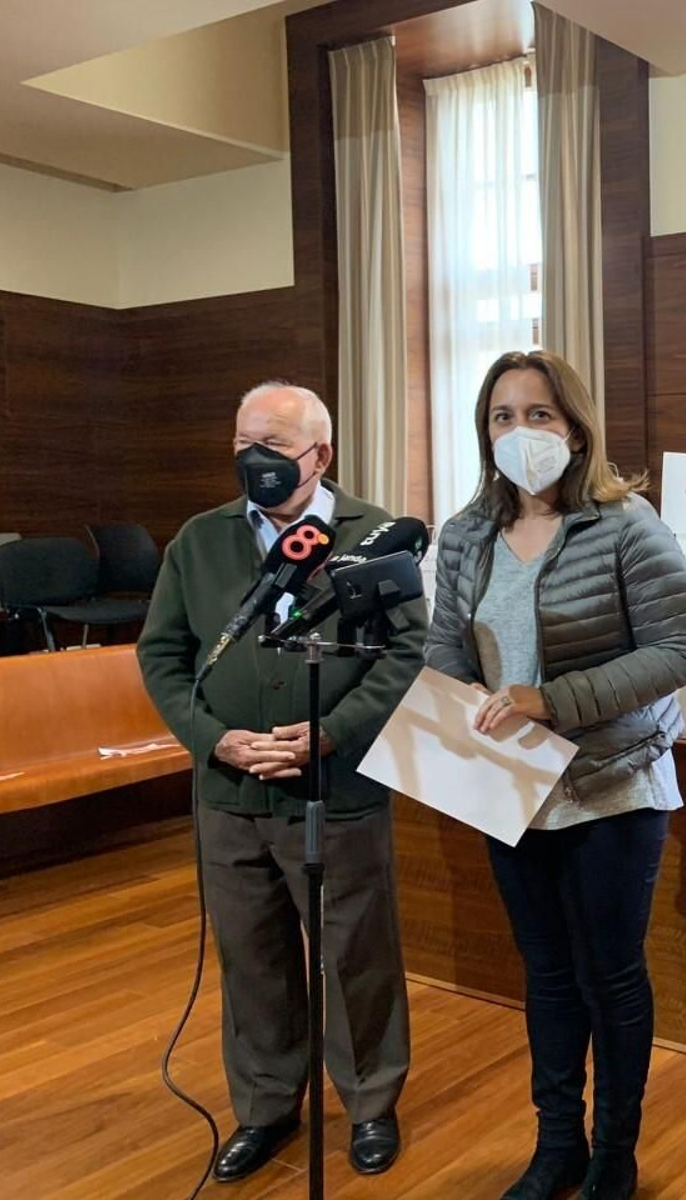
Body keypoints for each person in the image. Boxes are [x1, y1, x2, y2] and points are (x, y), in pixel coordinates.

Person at [425, 350, 686, 1200]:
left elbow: (676, 652)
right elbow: (443, 648)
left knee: (608, 974)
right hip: (510, 786)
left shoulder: (627, 524)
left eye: (538, 414)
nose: (519, 432)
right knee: (544, 975)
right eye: (501, 417)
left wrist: (550, 700)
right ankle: (557, 1148)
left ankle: (615, 1153)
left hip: (613, 782)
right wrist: (455, 696)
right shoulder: (465, 533)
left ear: (576, 428)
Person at [137, 382, 425, 1182]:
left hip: (337, 789)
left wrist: (328, 735)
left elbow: (408, 654)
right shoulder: (200, 541)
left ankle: (371, 1103)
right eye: (241, 443)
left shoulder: (374, 536)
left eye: (271, 443)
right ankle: (266, 1107)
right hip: (229, 796)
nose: (252, 459)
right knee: (252, 956)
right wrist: (212, 740)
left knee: (355, 952)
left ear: (320, 454)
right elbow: (161, 657)